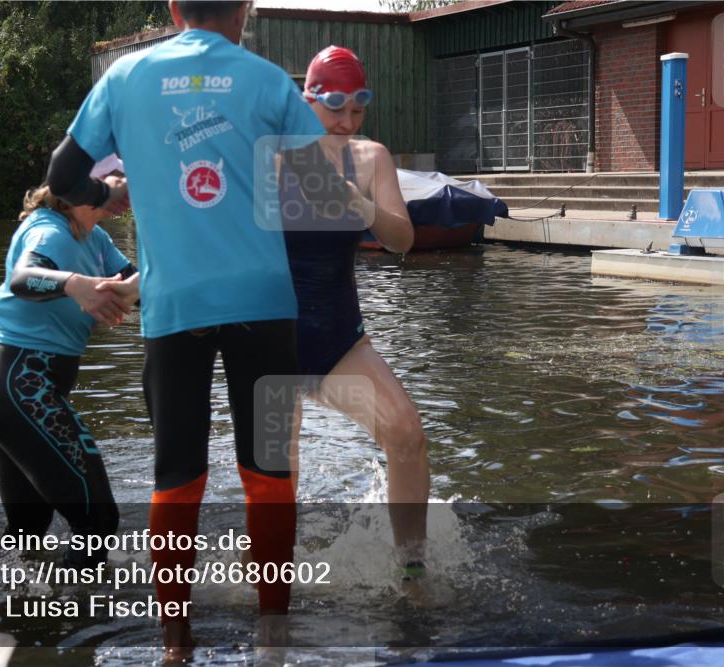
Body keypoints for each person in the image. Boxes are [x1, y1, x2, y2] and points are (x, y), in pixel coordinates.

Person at [45, 0, 355, 660]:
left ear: (172, 7)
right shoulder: (268, 79)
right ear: (242, 9)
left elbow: (61, 174)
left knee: (177, 475)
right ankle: (273, 633)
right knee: (269, 474)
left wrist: (112, 195)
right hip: (265, 301)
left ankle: (175, 640)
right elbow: (323, 194)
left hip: (174, 302)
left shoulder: (125, 79)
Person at [282, 46, 430, 577]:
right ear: (308, 100)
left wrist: (362, 206)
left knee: (407, 434)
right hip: (271, 340)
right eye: (335, 107)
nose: (347, 121)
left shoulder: (371, 159)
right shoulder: (272, 155)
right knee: (281, 472)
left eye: (358, 109)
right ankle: (273, 584)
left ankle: (411, 570)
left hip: (339, 338)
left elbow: (403, 242)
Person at [0, 181, 138, 567]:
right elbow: (22, 278)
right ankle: (86, 620)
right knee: (97, 521)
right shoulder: (51, 230)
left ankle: (22, 617)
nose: (129, 187)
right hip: (22, 389)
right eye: (118, 179)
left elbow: (139, 289)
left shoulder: (93, 237)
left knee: (28, 534)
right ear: (84, 184)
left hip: (12, 393)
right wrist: (72, 283)